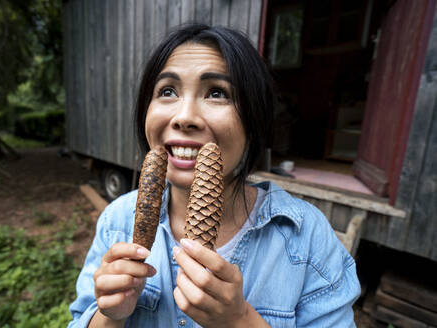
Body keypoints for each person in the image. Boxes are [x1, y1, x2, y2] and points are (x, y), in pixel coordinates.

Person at [68, 24, 360, 328]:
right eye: (167, 91)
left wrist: (240, 321)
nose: (184, 117)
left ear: (254, 118)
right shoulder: (118, 222)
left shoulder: (307, 238)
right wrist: (108, 317)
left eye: (217, 93)